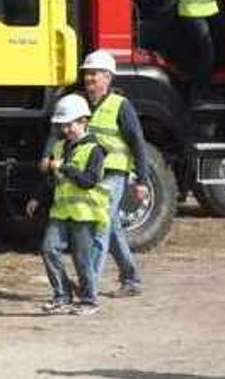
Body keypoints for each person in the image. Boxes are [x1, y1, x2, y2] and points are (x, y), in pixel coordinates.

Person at [41, 50, 149, 296]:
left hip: (113, 172)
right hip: (87, 172)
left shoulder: (121, 106)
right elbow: (56, 132)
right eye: (87, 73)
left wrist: (142, 179)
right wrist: (47, 156)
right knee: (110, 226)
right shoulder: (77, 102)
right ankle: (131, 279)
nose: (89, 78)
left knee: (100, 225)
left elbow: (137, 141)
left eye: (94, 73)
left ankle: (90, 286)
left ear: (108, 77)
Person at [27, 94, 109, 316]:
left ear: (83, 121)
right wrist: (37, 197)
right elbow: (51, 179)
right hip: (61, 212)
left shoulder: (95, 149)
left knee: (82, 260)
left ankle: (89, 301)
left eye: (70, 125)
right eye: (62, 126)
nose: (66, 130)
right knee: (48, 249)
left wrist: (66, 168)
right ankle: (62, 296)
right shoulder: (60, 147)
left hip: (86, 214)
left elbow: (89, 181)